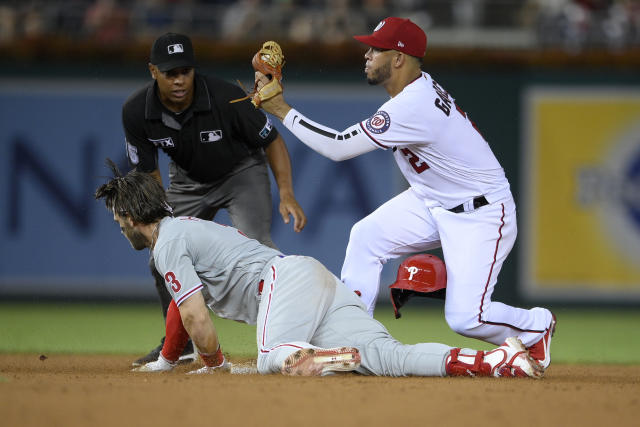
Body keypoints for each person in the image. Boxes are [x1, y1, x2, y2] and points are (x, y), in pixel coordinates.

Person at [253, 17, 556, 369]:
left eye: (375, 49)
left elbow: (338, 147)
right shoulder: (412, 92)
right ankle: (350, 336)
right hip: (434, 198)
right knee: (366, 237)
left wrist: (281, 111)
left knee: (467, 318)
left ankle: (537, 327)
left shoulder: (414, 104)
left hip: (481, 212)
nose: (367, 54)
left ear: (398, 58)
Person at [94, 159, 544, 378]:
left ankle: (322, 357)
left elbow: (195, 317)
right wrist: (170, 358)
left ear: (133, 216)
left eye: (119, 221)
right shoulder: (179, 231)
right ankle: (496, 360)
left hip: (284, 285)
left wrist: (214, 364)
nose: (120, 229)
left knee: (274, 358)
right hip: (314, 283)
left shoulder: (165, 243)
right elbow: (181, 308)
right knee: (388, 357)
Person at [121, 32, 307, 367]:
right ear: (153, 71)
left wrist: (287, 194)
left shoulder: (225, 97)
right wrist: (160, 219)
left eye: (185, 71)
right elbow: (148, 172)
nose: (179, 80)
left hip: (241, 173)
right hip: (187, 182)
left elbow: (273, 141)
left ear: (195, 70)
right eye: (169, 73)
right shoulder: (137, 111)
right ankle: (181, 345)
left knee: (260, 251)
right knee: (159, 258)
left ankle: (285, 337)